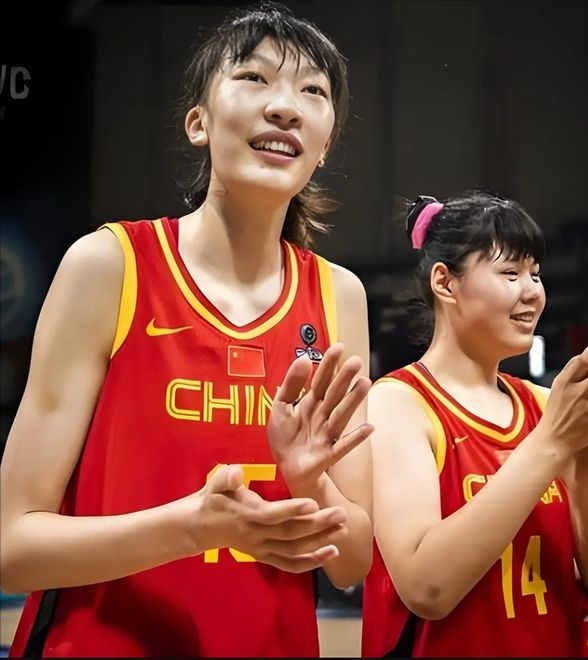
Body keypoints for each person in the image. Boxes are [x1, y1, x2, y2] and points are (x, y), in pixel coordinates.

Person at [0, 3, 374, 657]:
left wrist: (311, 481)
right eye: (254, 78)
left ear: (323, 146)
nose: (284, 107)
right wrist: (194, 529)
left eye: (312, 91)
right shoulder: (109, 266)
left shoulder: (339, 295)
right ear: (198, 122)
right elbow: (11, 547)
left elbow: (353, 562)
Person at [362, 191, 588, 657]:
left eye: (535, 274)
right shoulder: (398, 404)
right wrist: (550, 447)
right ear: (445, 282)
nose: (532, 291)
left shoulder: (546, 405)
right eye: (510, 273)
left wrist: (584, 491)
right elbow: (426, 588)